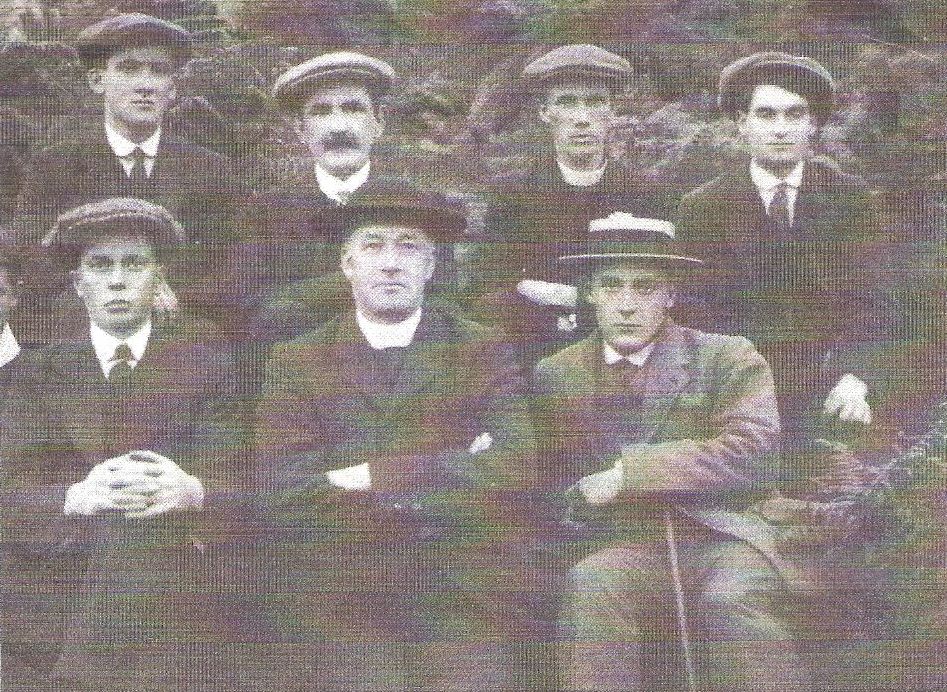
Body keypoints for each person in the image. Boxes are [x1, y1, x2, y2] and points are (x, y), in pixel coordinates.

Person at [254, 192, 537, 690]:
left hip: (462, 576)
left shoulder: (482, 348)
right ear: (346, 263)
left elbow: (516, 466)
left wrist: (368, 474)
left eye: (408, 248)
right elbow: (284, 490)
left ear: (429, 265)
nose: (390, 264)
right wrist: (455, 462)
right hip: (347, 580)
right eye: (373, 247)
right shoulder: (296, 361)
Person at [533, 212, 806, 691]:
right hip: (630, 542)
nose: (627, 304)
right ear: (589, 294)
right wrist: (576, 497)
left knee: (730, 600)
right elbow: (547, 477)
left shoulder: (726, 355)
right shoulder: (557, 374)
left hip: (730, 533)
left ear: (671, 297)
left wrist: (630, 474)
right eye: (611, 286)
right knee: (592, 583)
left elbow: (755, 452)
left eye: (645, 287)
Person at [1, 197, 248, 691]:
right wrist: (76, 497)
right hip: (63, 580)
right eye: (100, 265)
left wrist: (193, 490)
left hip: (180, 580)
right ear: (78, 284)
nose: (117, 281)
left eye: (134, 264)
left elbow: (248, 479)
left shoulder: (210, 364)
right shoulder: (35, 374)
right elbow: (9, 493)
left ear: (159, 280)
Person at [675, 51, 888, 474]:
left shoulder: (850, 200)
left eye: (795, 115)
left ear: (812, 125)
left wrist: (856, 377)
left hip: (831, 388)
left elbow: (874, 301)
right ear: (742, 123)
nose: (780, 129)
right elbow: (695, 316)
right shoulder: (704, 208)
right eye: (766, 114)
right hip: (738, 393)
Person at [10, 12, 245, 343]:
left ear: (173, 89)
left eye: (158, 71)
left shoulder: (210, 170)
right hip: (78, 328)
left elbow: (230, 265)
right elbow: (32, 258)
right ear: (97, 80)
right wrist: (108, 301)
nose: (145, 85)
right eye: (128, 68)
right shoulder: (55, 166)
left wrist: (175, 297)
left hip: (177, 325)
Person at [472, 43, 670, 363]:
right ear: (545, 113)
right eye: (567, 102)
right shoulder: (512, 195)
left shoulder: (646, 195)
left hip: (620, 356)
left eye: (594, 102)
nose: (582, 118)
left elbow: (658, 291)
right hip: (533, 352)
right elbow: (488, 293)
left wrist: (558, 294)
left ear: (612, 112)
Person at [251, 51, 429, 342]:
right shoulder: (265, 214)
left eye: (353, 108)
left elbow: (445, 301)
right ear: (301, 131)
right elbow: (256, 313)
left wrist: (307, 296)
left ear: (378, 121)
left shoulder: (421, 206)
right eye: (321, 112)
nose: (338, 127)